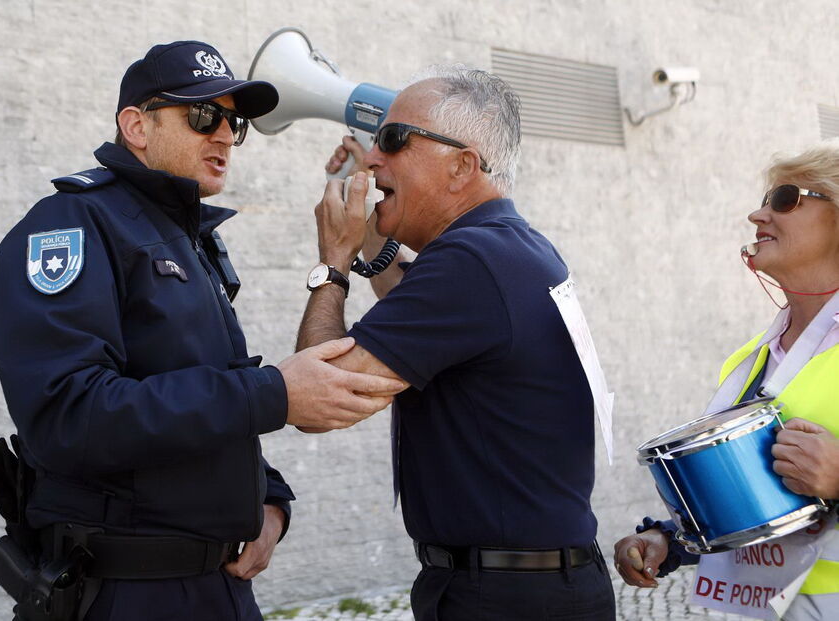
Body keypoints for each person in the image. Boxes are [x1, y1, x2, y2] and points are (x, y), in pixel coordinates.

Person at [0, 40, 405, 621]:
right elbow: (70, 415)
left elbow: (200, 393)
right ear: (136, 124)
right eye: (203, 115)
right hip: (128, 589)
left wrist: (270, 499)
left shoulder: (188, 235)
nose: (223, 136)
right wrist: (273, 393)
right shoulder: (70, 228)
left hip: (217, 584)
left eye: (233, 123)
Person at [296, 66, 616, 620]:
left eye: (393, 141)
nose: (373, 159)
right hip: (523, 586)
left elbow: (320, 397)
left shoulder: (472, 262)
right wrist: (371, 229)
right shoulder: (505, 247)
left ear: (462, 165)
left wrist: (334, 262)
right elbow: (413, 309)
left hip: (506, 598)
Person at [613, 141, 839, 621]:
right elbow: (746, 494)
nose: (757, 215)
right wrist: (668, 538)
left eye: (784, 199)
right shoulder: (747, 361)